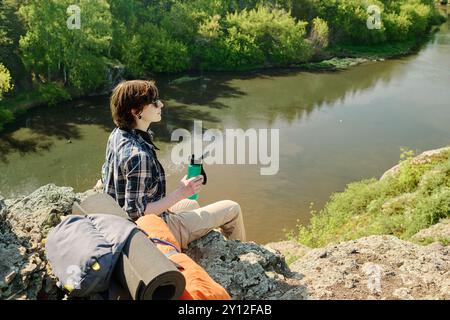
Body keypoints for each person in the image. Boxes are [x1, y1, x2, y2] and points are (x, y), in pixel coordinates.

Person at [98, 80, 246, 250]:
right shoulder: (138, 156)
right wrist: (181, 192)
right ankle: (237, 257)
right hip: (148, 232)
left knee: (191, 204)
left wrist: (184, 194)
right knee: (232, 209)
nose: (161, 104)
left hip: (122, 223)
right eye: (153, 102)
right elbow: (136, 213)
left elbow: (108, 177)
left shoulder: (118, 134)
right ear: (135, 111)